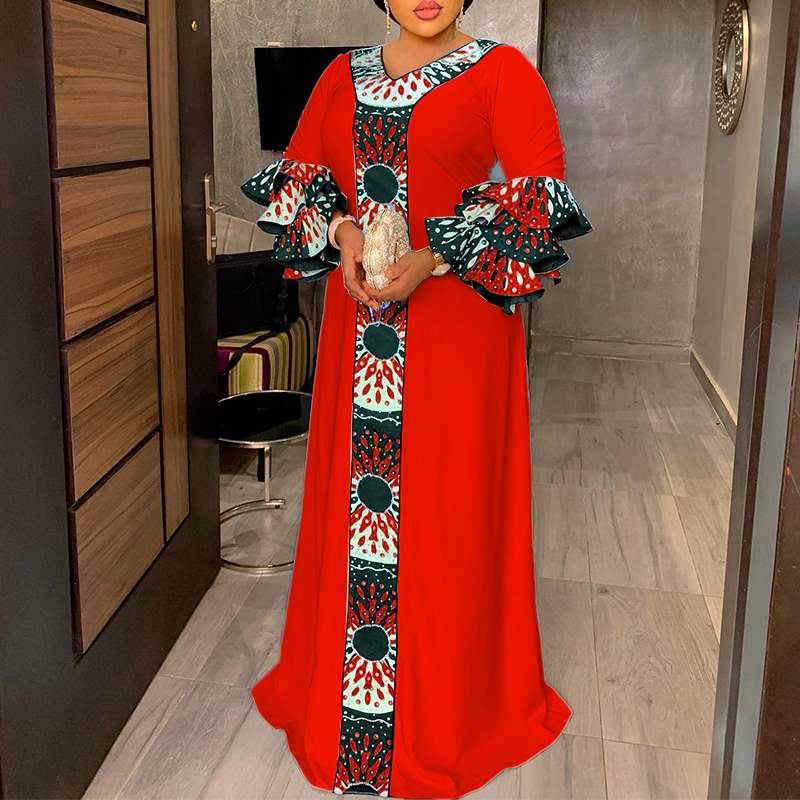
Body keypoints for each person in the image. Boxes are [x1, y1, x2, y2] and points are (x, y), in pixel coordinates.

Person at [240, 1, 592, 797]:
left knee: (448, 510)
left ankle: (449, 716)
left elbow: (539, 199)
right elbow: (301, 184)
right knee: (360, 506)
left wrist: (431, 258)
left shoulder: (502, 73)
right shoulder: (341, 78)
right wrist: (344, 237)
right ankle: (353, 714)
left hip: (456, 333)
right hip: (360, 328)